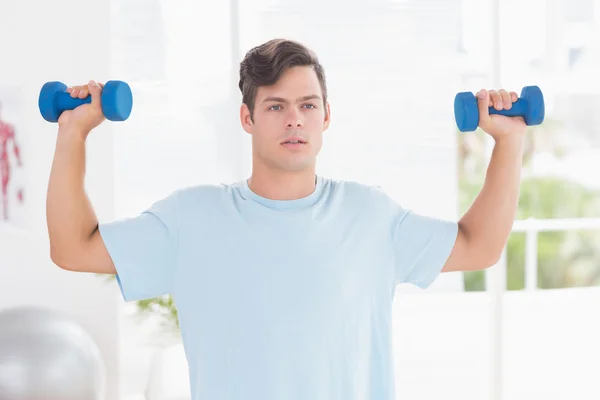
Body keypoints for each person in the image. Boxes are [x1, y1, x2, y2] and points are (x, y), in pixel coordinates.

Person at [47, 38, 525, 400]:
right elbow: (73, 248)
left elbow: (478, 246)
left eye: (307, 105)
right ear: (247, 118)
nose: (294, 120)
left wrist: (509, 142)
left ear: (326, 116)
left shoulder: (371, 215)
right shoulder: (190, 219)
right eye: (275, 106)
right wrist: (73, 133)